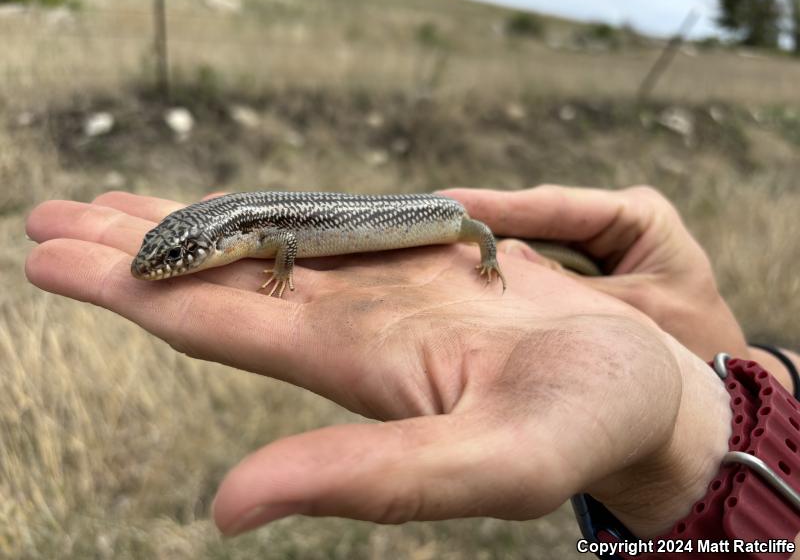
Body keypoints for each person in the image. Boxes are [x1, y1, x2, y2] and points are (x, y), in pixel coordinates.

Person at [24, 185, 800, 553]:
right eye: (170, 257)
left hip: (420, 215)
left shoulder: (269, 234)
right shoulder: (247, 229)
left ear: (218, 240)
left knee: (465, 223)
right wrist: (739, 374)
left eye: (176, 256)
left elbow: (464, 222)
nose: (165, 265)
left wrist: (486, 249)